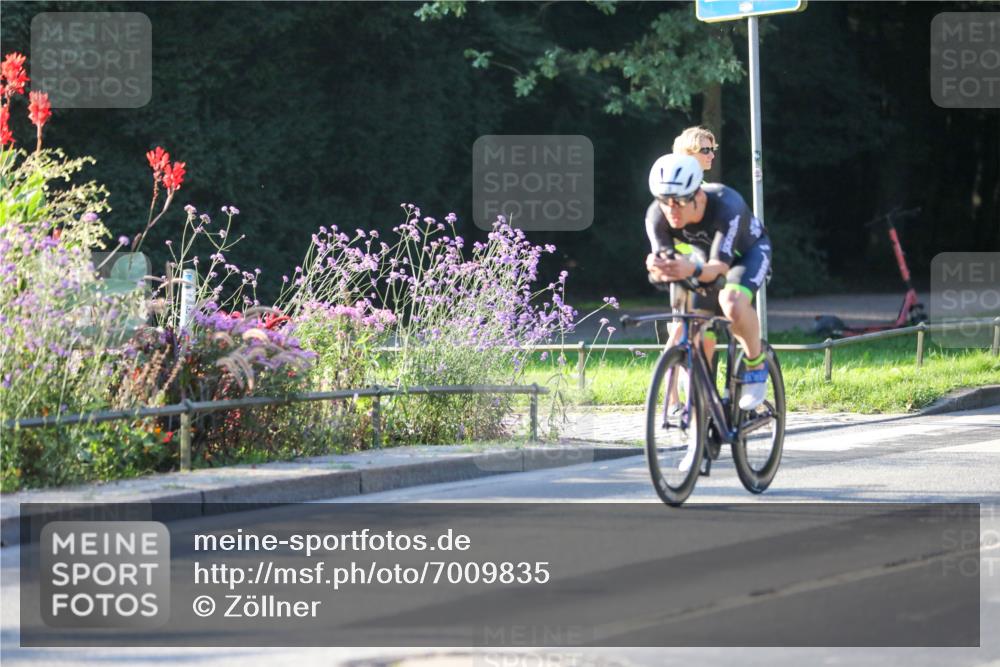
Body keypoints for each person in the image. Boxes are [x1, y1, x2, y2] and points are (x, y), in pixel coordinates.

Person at [645, 153, 771, 411]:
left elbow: (720, 269)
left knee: (731, 302)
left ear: (699, 196)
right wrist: (658, 269)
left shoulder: (727, 206)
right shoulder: (656, 215)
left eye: (680, 201)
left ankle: (755, 364)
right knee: (697, 328)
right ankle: (703, 407)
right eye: (664, 201)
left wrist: (689, 268)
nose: (672, 210)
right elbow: (664, 267)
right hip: (704, 259)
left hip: (747, 254)